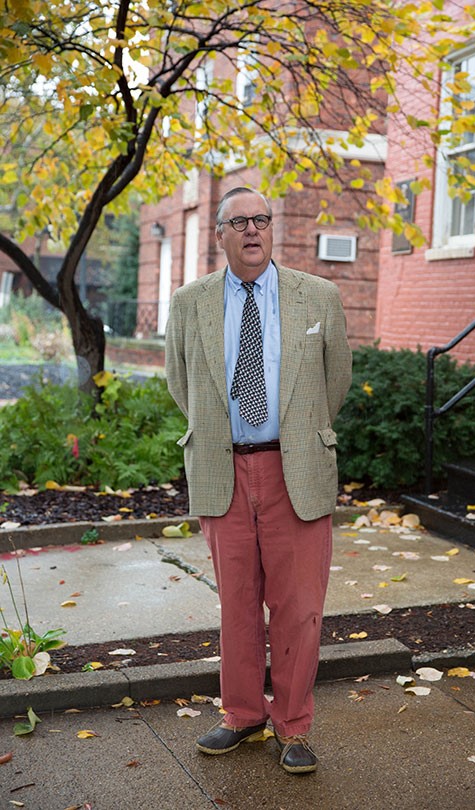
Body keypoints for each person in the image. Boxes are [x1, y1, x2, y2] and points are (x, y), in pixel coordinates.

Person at [165, 186, 351, 774]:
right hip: (224, 467)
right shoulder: (189, 303)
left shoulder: (317, 296)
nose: (252, 230)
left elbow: (334, 383)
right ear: (219, 234)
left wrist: (293, 433)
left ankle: (293, 726)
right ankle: (242, 716)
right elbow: (182, 384)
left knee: (298, 607)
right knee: (237, 605)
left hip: (294, 467)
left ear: (273, 229)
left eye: (261, 220)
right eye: (238, 221)